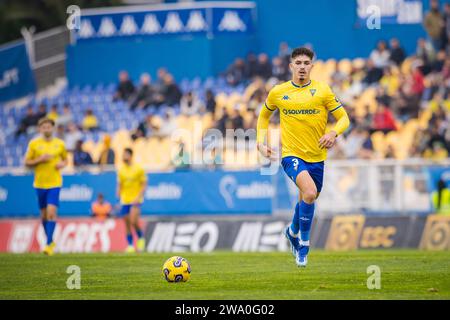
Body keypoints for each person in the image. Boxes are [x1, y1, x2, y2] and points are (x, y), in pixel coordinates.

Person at [256, 47, 350, 267]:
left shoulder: (323, 91)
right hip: (291, 155)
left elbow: (344, 117)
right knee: (309, 192)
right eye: (298, 63)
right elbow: (263, 116)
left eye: (306, 63)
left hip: (317, 157)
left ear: (312, 67)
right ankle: (303, 246)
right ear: (291, 66)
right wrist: (261, 142)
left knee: (308, 198)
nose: (301, 67)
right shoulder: (278, 92)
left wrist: (333, 132)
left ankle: (291, 231)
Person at [24, 118, 68, 256]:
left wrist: (62, 164)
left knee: (51, 212)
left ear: (53, 128)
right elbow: (26, 163)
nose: (47, 129)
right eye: (44, 127)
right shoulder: (34, 144)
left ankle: (48, 244)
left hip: (55, 183)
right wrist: (39, 159)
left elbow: (66, 159)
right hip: (39, 184)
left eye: (49, 127)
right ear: (40, 129)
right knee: (43, 215)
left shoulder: (60, 144)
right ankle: (50, 240)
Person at [117, 148, 147, 253]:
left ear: (130, 155)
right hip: (125, 199)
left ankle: (141, 238)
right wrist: (118, 192)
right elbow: (120, 184)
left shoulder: (138, 169)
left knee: (134, 221)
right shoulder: (121, 170)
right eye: (123, 154)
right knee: (127, 223)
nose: (123, 156)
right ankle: (130, 245)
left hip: (135, 199)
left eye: (125, 154)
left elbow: (143, 184)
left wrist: (138, 197)